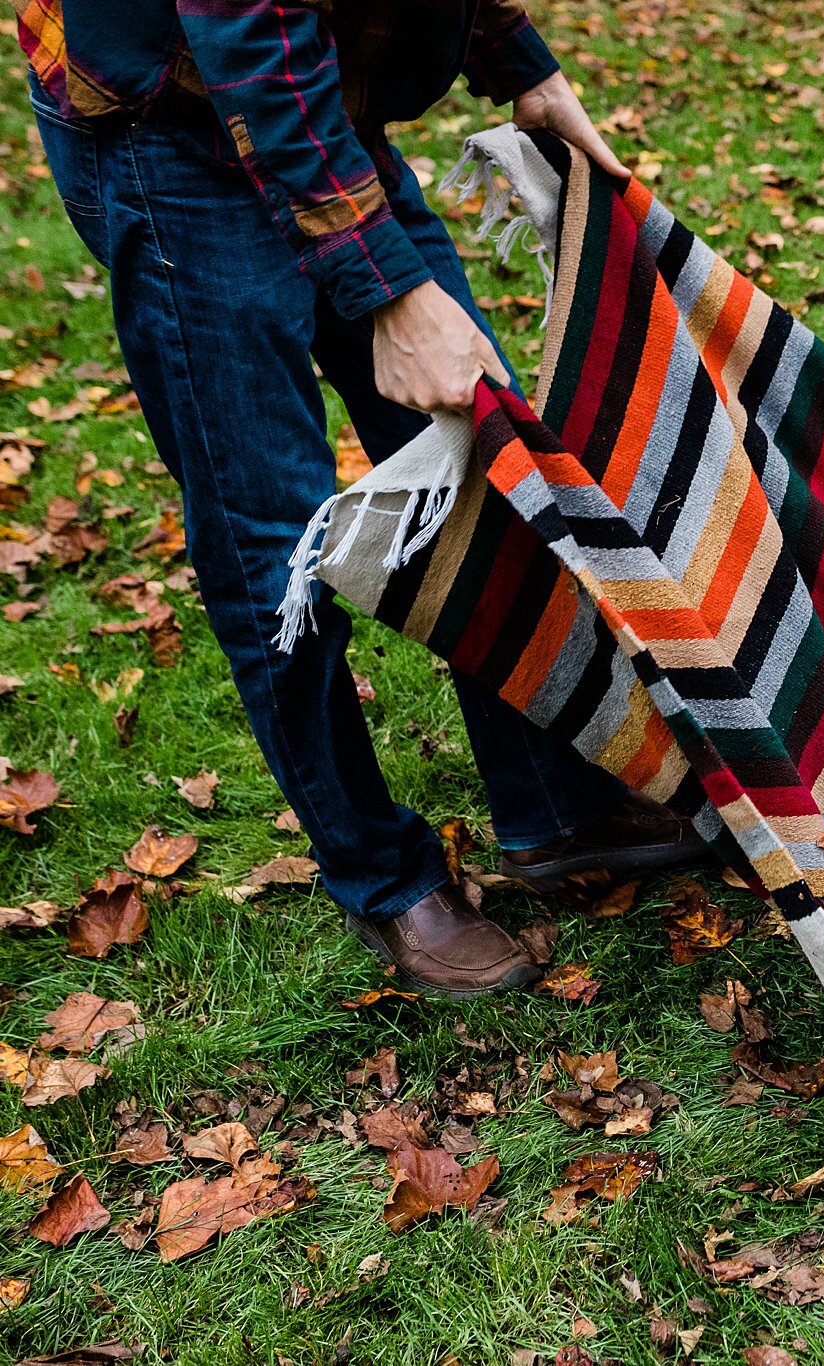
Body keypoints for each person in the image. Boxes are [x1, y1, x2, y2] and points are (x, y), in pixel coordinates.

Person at [17, 1, 705, 997]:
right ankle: (380, 875)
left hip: (313, 109)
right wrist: (384, 290)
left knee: (490, 461)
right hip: (168, 128)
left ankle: (555, 802)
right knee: (275, 541)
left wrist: (515, 56)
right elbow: (246, 25)